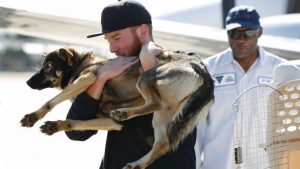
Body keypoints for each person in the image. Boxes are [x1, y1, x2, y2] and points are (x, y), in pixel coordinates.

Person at [65, 1, 198, 169]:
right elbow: (76, 132)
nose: (112, 48)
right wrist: (100, 78)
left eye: (117, 38)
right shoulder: (112, 71)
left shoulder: (187, 63)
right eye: (108, 41)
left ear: (142, 31)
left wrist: (149, 62)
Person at [195, 6, 286, 169]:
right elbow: (196, 127)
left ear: (260, 32)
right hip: (217, 165)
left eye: (248, 33)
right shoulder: (208, 70)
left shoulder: (280, 70)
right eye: (234, 33)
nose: (241, 39)